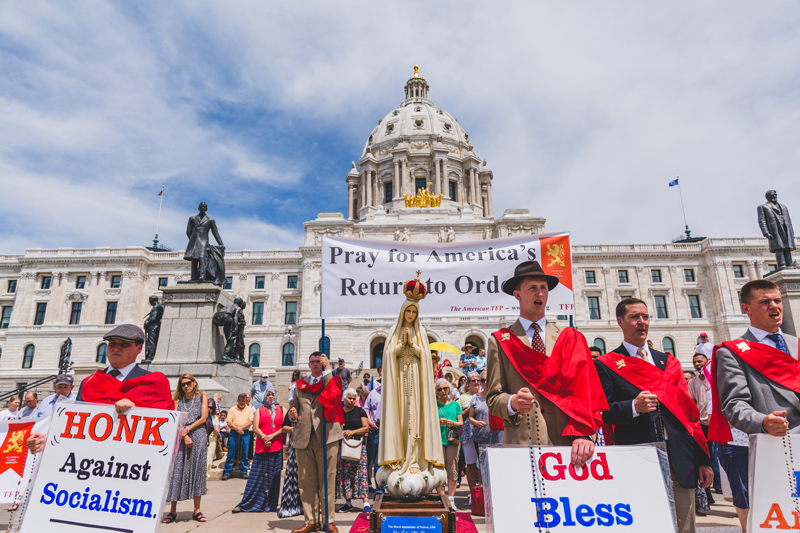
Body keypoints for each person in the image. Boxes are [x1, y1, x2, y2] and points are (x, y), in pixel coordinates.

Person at [595, 298, 712, 533]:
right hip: (637, 454)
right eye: (634, 317)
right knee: (645, 524)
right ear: (620, 322)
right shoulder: (607, 364)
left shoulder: (668, 362)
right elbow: (602, 412)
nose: (642, 322)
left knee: (684, 525)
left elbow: (689, 415)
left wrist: (703, 460)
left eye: (645, 317)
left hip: (679, 454)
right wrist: (633, 406)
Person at [486, 261, 606, 468]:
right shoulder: (500, 341)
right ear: (517, 295)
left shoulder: (570, 337)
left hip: (569, 444)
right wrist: (512, 402)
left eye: (543, 288)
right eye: (532, 288)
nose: (540, 293)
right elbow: (493, 398)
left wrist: (585, 434)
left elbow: (586, 393)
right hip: (522, 444)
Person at [710, 279, 800, 530]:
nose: (774, 306)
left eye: (777, 300)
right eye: (764, 302)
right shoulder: (732, 352)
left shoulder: (798, 345)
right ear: (746, 309)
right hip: (775, 449)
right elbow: (734, 404)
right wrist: (763, 421)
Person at [28, 324, 173, 454]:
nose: (116, 348)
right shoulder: (89, 382)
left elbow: (165, 427)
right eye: (112, 343)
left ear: (139, 348)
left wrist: (137, 411)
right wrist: (49, 440)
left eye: (124, 344)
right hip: (91, 460)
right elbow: (76, 426)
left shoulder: (153, 382)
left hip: (132, 461)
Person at [375, 274, 446, 501]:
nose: (411, 315)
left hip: (416, 381)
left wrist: (413, 346)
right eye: (409, 311)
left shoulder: (421, 332)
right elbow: (387, 356)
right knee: (401, 420)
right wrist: (399, 348)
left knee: (416, 420)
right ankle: (400, 460)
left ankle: (415, 461)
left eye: (415, 312)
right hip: (399, 383)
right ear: (403, 312)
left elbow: (426, 356)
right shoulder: (394, 332)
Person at [289, 351, 344, 533]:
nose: (315, 364)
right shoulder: (299, 386)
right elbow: (294, 406)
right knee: (306, 482)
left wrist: (328, 368)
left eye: (319, 361)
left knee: (326, 480)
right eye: (312, 361)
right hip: (304, 437)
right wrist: (292, 414)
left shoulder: (331, 380)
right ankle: (310, 520)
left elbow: (333, 394)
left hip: (326, 435)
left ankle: (327, 520)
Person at [234, 386, 290, 513]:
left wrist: (273, 436)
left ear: (276, 396)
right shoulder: (260, 409)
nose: (270, 397)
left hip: (276, 446)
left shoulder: (282, 409)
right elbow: (255, 428)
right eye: (268, 394)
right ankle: (247, 503)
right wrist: (265, 437)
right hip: (262, 446)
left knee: (274, 478)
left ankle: (270, 504)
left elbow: (287, 426)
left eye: (272, 394)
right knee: (256, 477)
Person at [164, 374, 209, 524]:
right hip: (181, 434)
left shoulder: (202, 396)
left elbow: (203, 417)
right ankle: (172, 510)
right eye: (183, 384)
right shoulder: (177, 399)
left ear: (194, 383)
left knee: (197, 470)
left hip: (198, 433)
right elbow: (175, 418)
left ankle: (197, 509)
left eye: (188, 383)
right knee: (177, 470)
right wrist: (184, 435)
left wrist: (188, 429)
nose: (186, 386)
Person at [335, 388, 370, 514]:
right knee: (345, 475)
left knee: (361, 474)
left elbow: (366, 428)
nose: (352, 400)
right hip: (343, 446)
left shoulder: (360, 411)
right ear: (344, 399)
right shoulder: (340, 412)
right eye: (350, 398)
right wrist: (342, 432)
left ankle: (366, 502)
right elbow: (334, 427)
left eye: (354, 398)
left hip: (358, 446)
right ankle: (348, 502)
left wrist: (352, 432)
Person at [436, 378, 463, 510]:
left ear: (449, 389)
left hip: (452, 440)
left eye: (445, 388)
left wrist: (452, 423)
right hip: (438, 440)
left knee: (452, 469)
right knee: (440, 469)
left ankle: (451, 499)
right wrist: (438, 422)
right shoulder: (434, 405)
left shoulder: (455, 405)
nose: (442, 391)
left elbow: (461, 422)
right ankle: (442, 498)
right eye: (439, 389)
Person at [758, 189, 795, 270]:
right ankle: (782, 264)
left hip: (786, 229)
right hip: (774, 230)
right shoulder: (763, 207)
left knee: (787, 246)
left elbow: (789, 220)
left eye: (775, 195)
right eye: (772, 195)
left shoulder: (783, 206)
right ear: (767, 197)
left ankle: (790, 264)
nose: (774, 196)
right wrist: (766, 232)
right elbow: (762, 221)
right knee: (779, 247)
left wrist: (791, 232)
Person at [222, 393, 254, 480]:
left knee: (244, 452)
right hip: (234, 432)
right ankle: (227, 472)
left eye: (244, 401)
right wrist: (237, 429)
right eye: (241, 401)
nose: (242, 403)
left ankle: (244, 471)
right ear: (238, 400)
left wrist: (241, 428)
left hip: (245, 432)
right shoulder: (232, 409)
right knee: (231, 452)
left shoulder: (249, 409)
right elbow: (229, 422)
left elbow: (251, 421)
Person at [460, 372, 482, 494]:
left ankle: (482, 491)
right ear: (468, 384)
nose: (476, 382)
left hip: (482, 434)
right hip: (468, 434)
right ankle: (473, 493)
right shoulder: (462, 398)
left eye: (478, 380)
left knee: (481, 464)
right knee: (471, 463)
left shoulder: (484, 395)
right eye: (473, 381)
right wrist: (469, 409)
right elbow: (458, 415)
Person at [363, 378, 381, 491]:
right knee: (377, 460)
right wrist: (370, 422)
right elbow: (366, 409)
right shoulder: (373, 393)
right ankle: (380, 489)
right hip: (377, 428)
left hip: (392, 429)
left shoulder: (396, 392)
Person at [206, 399, 221, 479]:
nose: (209, 409)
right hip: (203, 440)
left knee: (208, 461)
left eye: (211, 407)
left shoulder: (214, 417)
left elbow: (217, 431)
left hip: (211, 440)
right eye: (207, 407)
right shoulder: (202, 416)